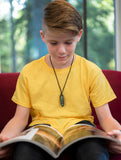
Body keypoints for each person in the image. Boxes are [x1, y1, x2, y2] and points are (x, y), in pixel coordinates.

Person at [0, 0, 121, 159]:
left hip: (81, 132)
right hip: (40, 131)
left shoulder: (91, 70)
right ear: (43, 36)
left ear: (79, 35)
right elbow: (19, 119)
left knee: (94, 153)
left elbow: (106, 118)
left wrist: (118, 135)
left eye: (68, 43)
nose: (61, 50)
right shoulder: (29, 71)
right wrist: (3, 140)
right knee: (24, 154)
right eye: (54, 43)